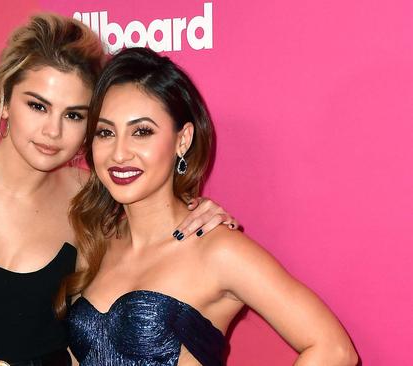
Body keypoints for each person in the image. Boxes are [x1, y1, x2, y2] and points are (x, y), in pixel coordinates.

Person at [0, 14, 237, 366]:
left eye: (73, 115)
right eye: (38, 106)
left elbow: (155, 247)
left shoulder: (90, 195)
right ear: (5, 100)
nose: (52, 131)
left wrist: (200, 212)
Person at [62, 47, 358, 366]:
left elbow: (333, 350)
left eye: (142, 132)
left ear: (183, 139)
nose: (119, 153)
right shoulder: (96, 242)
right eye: (106, 132)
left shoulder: (218, 250)